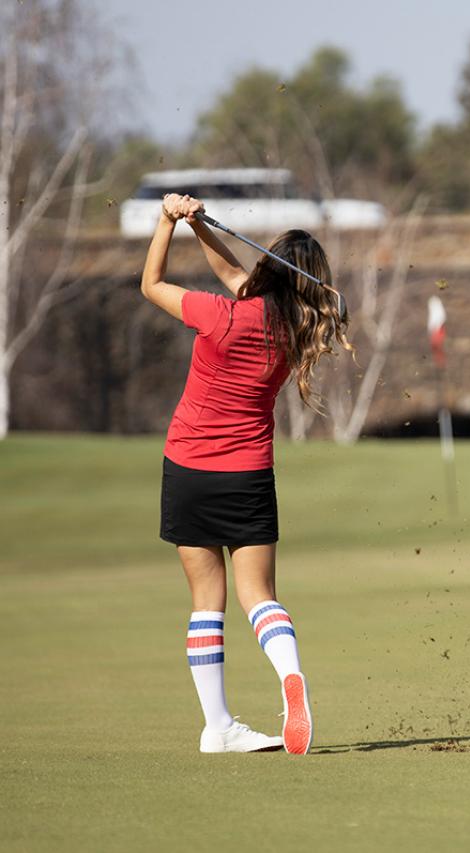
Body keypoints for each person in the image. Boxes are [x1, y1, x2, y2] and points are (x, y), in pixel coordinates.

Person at [140, 193, 351, 754]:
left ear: (269, 267)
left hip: (187, 468)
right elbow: (234, 272)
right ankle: (290, 675)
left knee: (206, 604)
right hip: (248, 474)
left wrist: (167, 222)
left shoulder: (220, 314)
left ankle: (219, 727)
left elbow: (152, 285)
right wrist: (201, 227)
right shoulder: (295, 334)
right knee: (259, 596)